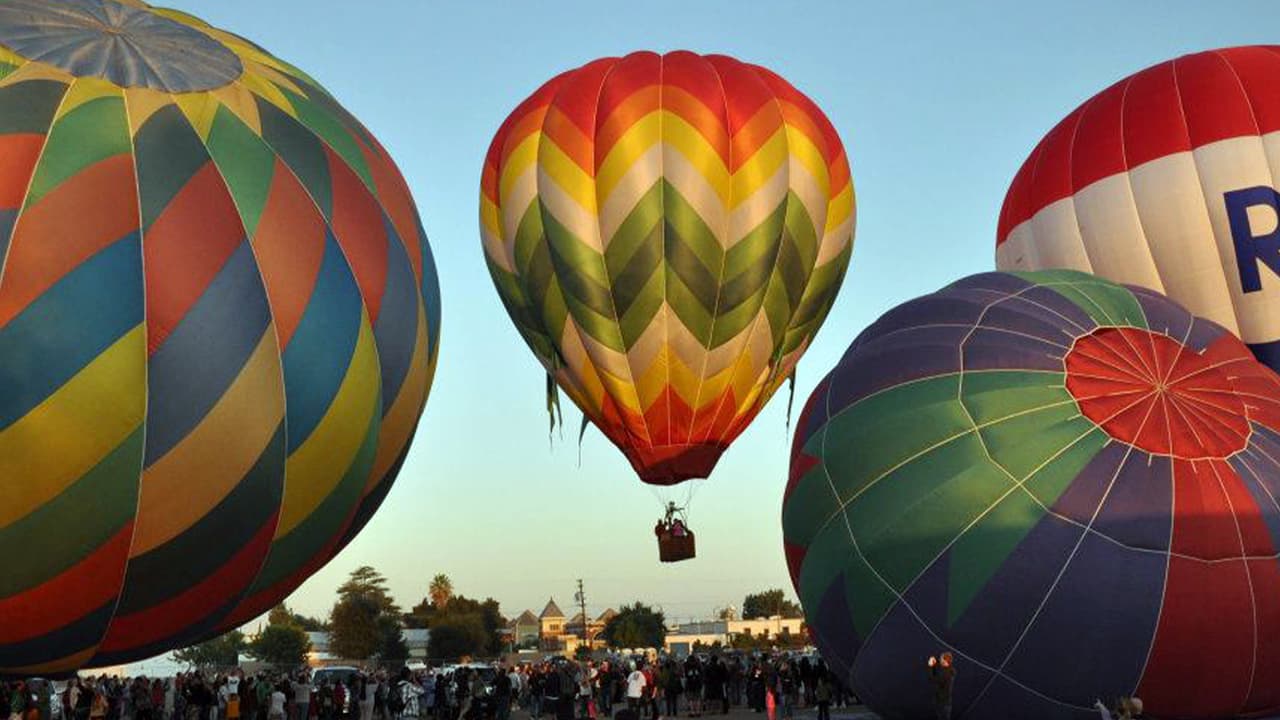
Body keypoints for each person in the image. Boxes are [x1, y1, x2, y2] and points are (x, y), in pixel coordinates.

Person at [927, 653, 955, 720]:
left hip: (943, 704)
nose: (940, 660)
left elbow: (932, 679)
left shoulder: (946, 675)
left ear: (945, 661)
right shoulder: (951, 669)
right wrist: (935, 663)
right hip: (946, 702)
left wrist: (930, 666)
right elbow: (941, 667)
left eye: (941, 659)